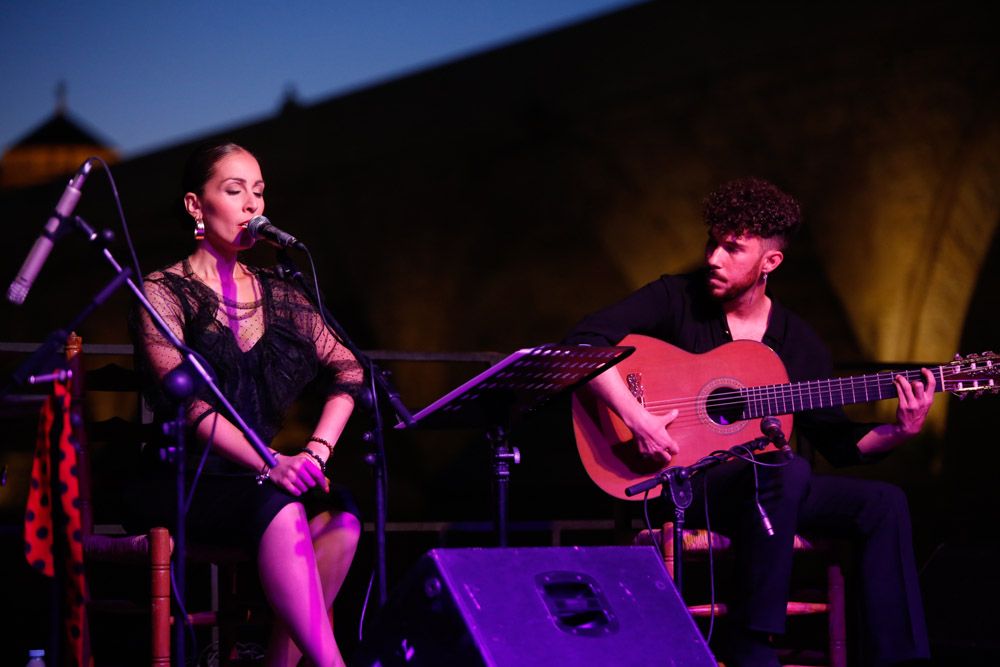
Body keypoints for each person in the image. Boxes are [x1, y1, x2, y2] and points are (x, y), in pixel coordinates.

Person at [565, 177, 933, 667]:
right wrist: (637, 417)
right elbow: (585, 342)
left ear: (770, 263)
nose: (714, 257)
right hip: (683, 482)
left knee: (883, 503)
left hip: (766, 493)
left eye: (732, 248)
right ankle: (752, 643)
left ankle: (900, 659)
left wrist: (900, 432)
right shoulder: (677, 298)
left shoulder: (797, 341)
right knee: (786, 469)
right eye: (712, 243)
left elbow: (840, 445)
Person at [126, 141, 362, 667]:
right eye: (234, 191)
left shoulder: (282, 293)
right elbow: (191, 408)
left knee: (341, 519)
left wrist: (315, 454)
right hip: (184, 479)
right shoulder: (163, 291)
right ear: (196, 205)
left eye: (258, 192)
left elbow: (350, 369)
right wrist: (273, 465)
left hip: (259, 477)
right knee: (280, 505)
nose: (252, 206)